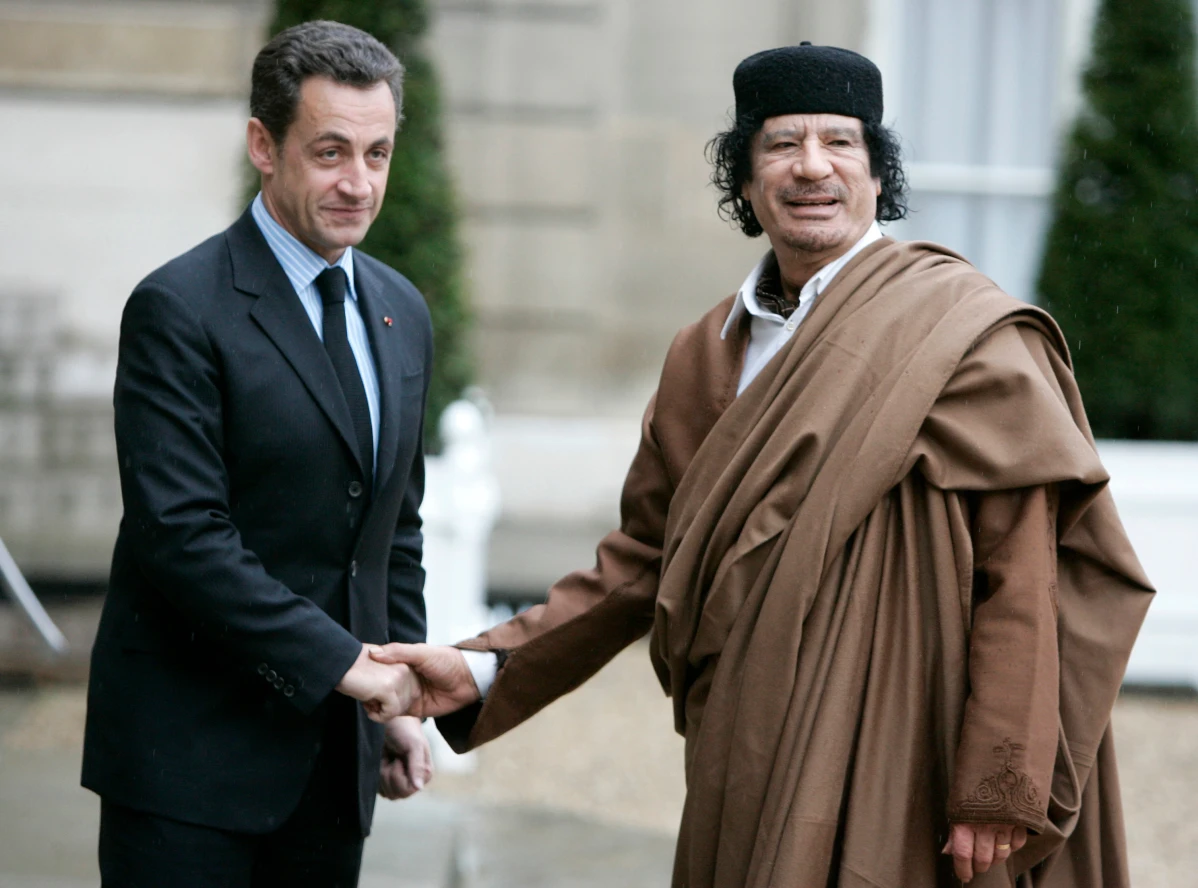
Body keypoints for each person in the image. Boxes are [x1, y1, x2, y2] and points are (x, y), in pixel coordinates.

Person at [374, 44, 1154, 887]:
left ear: (876, 173)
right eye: (782, 145)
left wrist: (999, 783)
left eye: (840, 143)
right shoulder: (703, 356)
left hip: (909, 749)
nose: (811, 167)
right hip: (745, 744)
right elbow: (642, 560)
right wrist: (486, 665)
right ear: (744, 179)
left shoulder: (964, 336)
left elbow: (1024, 572)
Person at [82, 20, 430, 887]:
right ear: (262, 146)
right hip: (186, 768)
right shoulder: (178, 308)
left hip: (331, 768)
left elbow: (396, 526)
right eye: (331, 152)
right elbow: (182, 536)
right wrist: (349, 668)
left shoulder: (401, 309)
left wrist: (401, 693)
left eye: (378, 154)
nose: (359, 183)